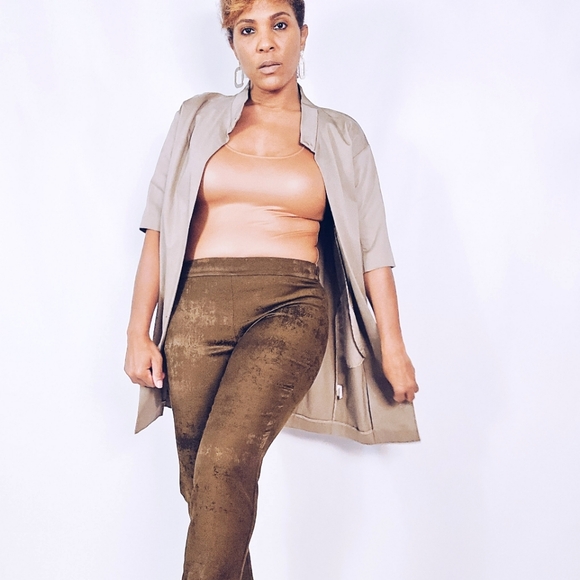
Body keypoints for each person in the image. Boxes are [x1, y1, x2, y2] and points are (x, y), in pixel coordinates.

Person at [125, 0, 420, 578]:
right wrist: (139, 331)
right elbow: (158, 228)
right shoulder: (194, 118)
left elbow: (373, 249)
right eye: (248, 29)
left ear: (302, 35)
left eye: (279, 25)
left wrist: (394, 345)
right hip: (195, 313)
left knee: (225, 463)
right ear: (233, 42)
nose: (265, 43)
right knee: (202, 483)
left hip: (290, 306)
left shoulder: (341, 135)